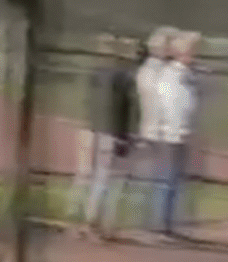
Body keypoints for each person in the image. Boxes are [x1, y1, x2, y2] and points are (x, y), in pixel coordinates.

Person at [68, 32, 141, 237]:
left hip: (89, 128)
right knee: (101, 176)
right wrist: (124, 135)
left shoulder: (94, 72)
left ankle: (76, 218)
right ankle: (91, 220)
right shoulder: (123, 77)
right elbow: (123, 108)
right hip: (107, 130)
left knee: (85, 175)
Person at [137, 28, 199, 238]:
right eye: (191, 51)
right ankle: (158, 226)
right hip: (170, 135)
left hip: (178, 134)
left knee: (172, 180)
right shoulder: (171, 76)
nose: (194, 56)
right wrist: (176, 130)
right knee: (166, 180)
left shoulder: (183, 75)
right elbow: (170, 106)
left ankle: (166, 224)